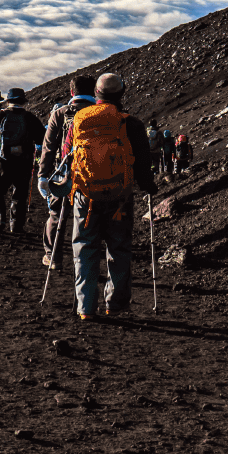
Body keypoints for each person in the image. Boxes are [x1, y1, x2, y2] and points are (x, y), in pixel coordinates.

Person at [64, 73, 157, 321]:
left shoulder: (79, 119)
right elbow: (143, 163)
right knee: (119, 248)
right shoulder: (131, 123)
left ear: (96, 93)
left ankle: (85, 308)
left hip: (86, 195)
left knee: (84, 248)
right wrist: (148, 186)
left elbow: (69, 156)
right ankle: (115, 304)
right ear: (121, 93)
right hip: (120, 196)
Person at [37, 75, 101, 270]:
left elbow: (48, 147)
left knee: (57, 214)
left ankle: (52, 256)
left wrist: (43, 175)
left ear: (72, 92)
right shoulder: (100, 113)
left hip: (63, 171)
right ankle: (84, 263)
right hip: (92, 174)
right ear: (94, 92)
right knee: (87, 218)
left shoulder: (61, 113)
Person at [0, 86, 43, 234]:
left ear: (8, 101)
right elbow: (41, 137)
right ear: (22, 101)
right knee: (20, 193)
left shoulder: (0, 114)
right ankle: (16, 226)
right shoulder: (29, 117)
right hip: (24, 161)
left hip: (2, 160)